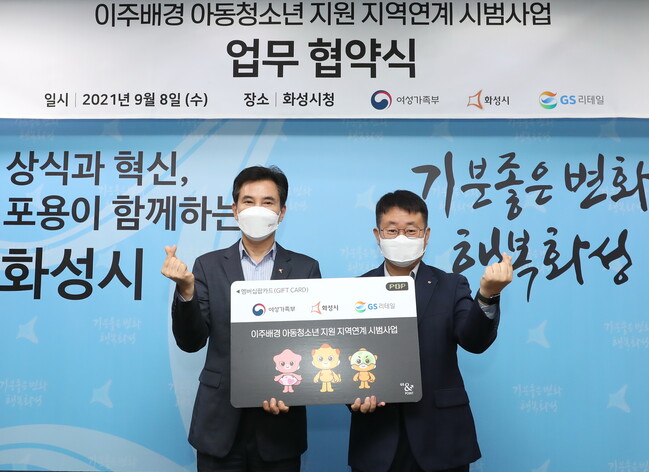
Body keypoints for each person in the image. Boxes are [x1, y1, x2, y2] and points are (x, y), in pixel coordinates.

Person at [161, 165, 321, 472]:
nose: (257, 209)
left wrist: (291, 388)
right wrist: (186, 291)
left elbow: (312, 343)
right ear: (235, 210)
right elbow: (191, 342)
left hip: (280, 424)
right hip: (219, 424)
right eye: (248, 201)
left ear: (282, 212)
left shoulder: (306, 268)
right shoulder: (207, 266)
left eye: (268, 202)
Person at [348, 190, 513, 472]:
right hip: (377, 440)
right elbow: (345, 358)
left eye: (411, 231)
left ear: (426, 235)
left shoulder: (451, 285)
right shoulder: (354, 290)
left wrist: (487, 295)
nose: (402, 238)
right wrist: (353, 398)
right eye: (392, 230)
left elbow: (474, 341)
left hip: (441, 438)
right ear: (378, 235)